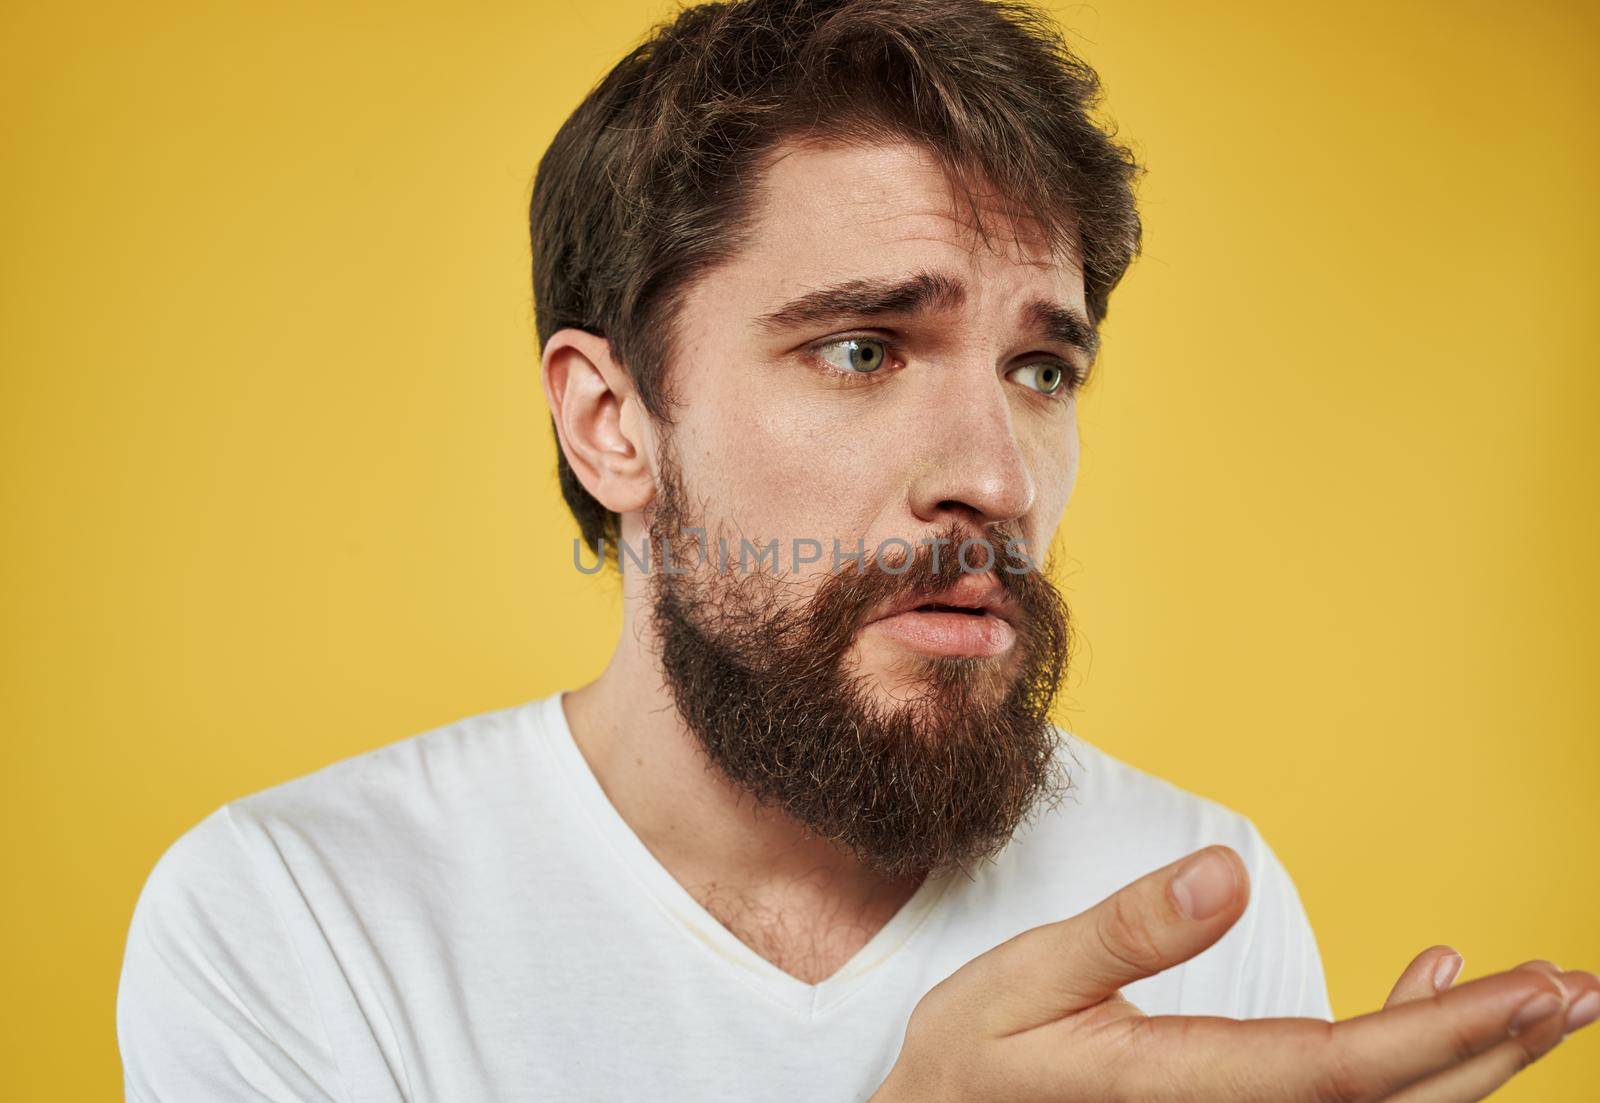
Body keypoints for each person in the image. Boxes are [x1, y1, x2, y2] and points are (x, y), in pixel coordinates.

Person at [116, 0, 1598, 1099]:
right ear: (612, 422)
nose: (995, 479)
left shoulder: (1194, 902)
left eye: (1041, 368)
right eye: (863, 348)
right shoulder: (295, 920)